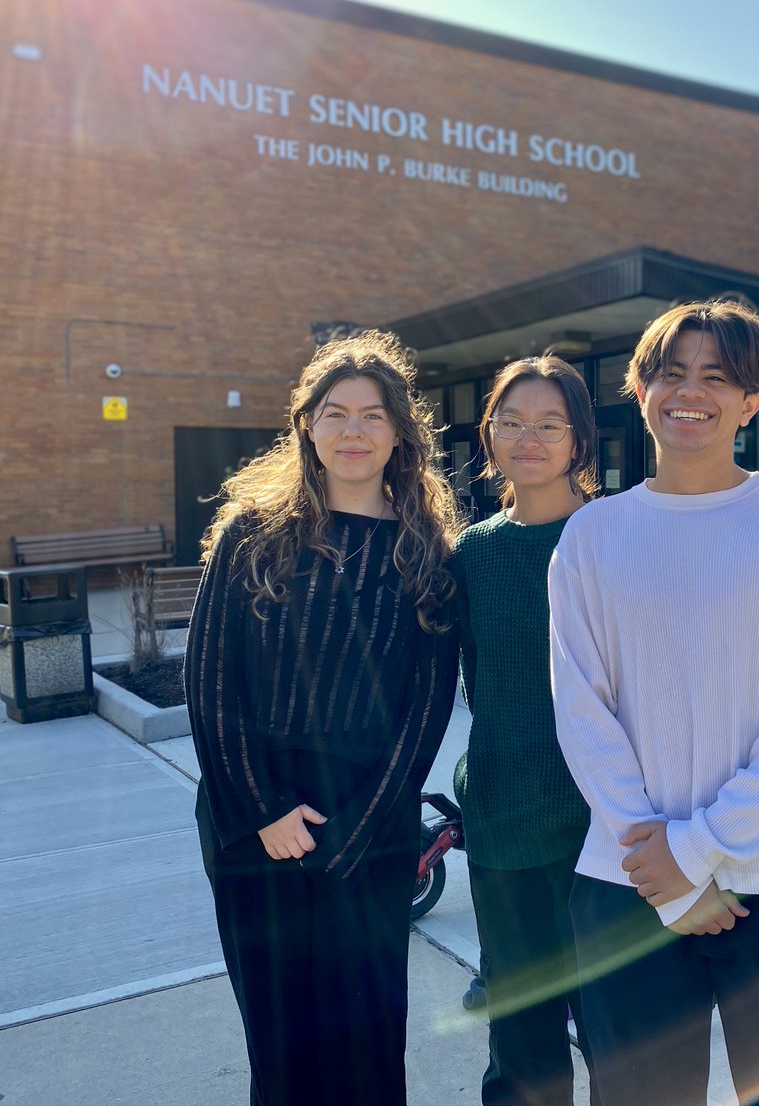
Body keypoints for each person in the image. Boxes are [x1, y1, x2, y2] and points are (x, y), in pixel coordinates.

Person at [549, 299, 759, 1106]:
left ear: (751, 402)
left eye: (718, 377)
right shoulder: (592, 534)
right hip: (628, 886)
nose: (692, 391)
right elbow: (583, 713)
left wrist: (698, 852)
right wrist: (666, 871)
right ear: (640, 388)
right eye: (671, 372)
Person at [184, 331, 461, 1106]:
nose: (353, 431)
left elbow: (426, 707)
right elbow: (208, 684)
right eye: (334, 413)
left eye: (372, 415)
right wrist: (264, 810)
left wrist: (362, 825)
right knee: (282, 1042)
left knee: (367, 1040)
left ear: (401, 432)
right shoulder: (250, 537)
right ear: (305, 424)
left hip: (370, 818)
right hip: (253, 818)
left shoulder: (424, 553)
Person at [450, 355, 600, 1106]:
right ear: (490, 436)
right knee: (521, 1036)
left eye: (548, 423)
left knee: (619, 1030)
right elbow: (482, 683)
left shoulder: (612, 533)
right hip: (505, 823)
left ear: (580, 439)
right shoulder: (473, 551)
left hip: (605, 828)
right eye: (511, 422)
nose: (528, 438)